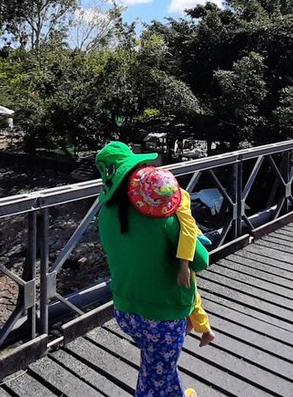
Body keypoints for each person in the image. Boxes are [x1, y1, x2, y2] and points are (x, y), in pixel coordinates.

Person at [96, 141, 209, 397]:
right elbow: (201, 261)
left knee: (158, 366)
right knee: (155, 375)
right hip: (162, 316)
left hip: (125, 311)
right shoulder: (162, 216)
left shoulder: (105, 213)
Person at [127, 166, 216, 347]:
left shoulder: (181, 200)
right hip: (178, 244)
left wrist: (184, 265)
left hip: (188, 245)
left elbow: (188, 232)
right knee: (190, 292)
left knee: (190, 292)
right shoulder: (175, 193)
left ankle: (205, 329)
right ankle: (196, 325)